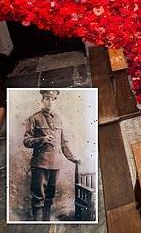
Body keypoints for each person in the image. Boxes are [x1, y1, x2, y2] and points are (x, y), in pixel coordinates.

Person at [23, 90, 81, 221]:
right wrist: (42, 139)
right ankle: (38, 226)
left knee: (50, 197)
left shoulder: (59, 120)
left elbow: (64, 144)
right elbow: (26, 141)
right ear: (42, 100)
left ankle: (46, 222)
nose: (50, 102)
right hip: (40, 163)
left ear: (55, 101)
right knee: (38, 198)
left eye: (53, 99)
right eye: (47, 99)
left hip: (56, 164)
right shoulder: (34, 118)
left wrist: (73, 158)